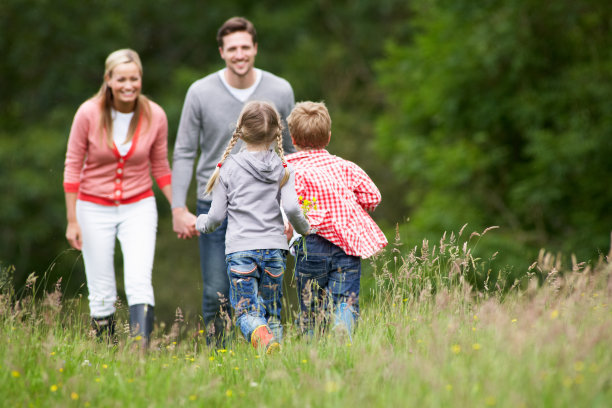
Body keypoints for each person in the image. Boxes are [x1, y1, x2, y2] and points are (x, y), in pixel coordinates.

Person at [171, 16, 296, 346]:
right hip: (215, 203)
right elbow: (184, 150)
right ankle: (218, 361)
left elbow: (292, 154)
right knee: (216, 292)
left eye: (245, 47)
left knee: (269, 296)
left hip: (267, 207)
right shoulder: (199, 92)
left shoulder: (280, 90)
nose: (239, 54)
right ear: (221, 52)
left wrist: (292, 215)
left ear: (255, 48)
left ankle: (270, 358)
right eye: (232, 49)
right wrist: (178, 207)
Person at [63, 49, 172, 347]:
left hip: (138, 205)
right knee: (101, 287)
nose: (128, 85)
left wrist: (177, 208)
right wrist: (72, 219)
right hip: (92, 207)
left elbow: (161, 166)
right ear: (108, 79)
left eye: (134, 79)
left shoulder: (154, 115)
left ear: (141, 80)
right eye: (121, 79)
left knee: (139, 280)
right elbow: (73, 165)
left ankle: (139, 355)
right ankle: (107, 353)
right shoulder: (89, 113)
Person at [194, 101, 309, 353]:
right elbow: (291, 208)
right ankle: (274, 360)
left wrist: (200, 223)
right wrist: (305, 228)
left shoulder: (229, 168)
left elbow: (215, 217)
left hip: (240, 252)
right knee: (272, 312)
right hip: (274, 250)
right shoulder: (283, 167)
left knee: (246, 312)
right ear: (277, 132)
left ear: (240, 130)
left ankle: (263, 339)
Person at [285, 101, 388, 340]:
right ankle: (343, 332)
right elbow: (373, 196)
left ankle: (312, 352)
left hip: (310, 244)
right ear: (329, 137)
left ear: (292, 137)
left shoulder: (287, 168)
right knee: (346, 299)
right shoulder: (345, 167)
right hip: (347, 245)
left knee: (311, 307)